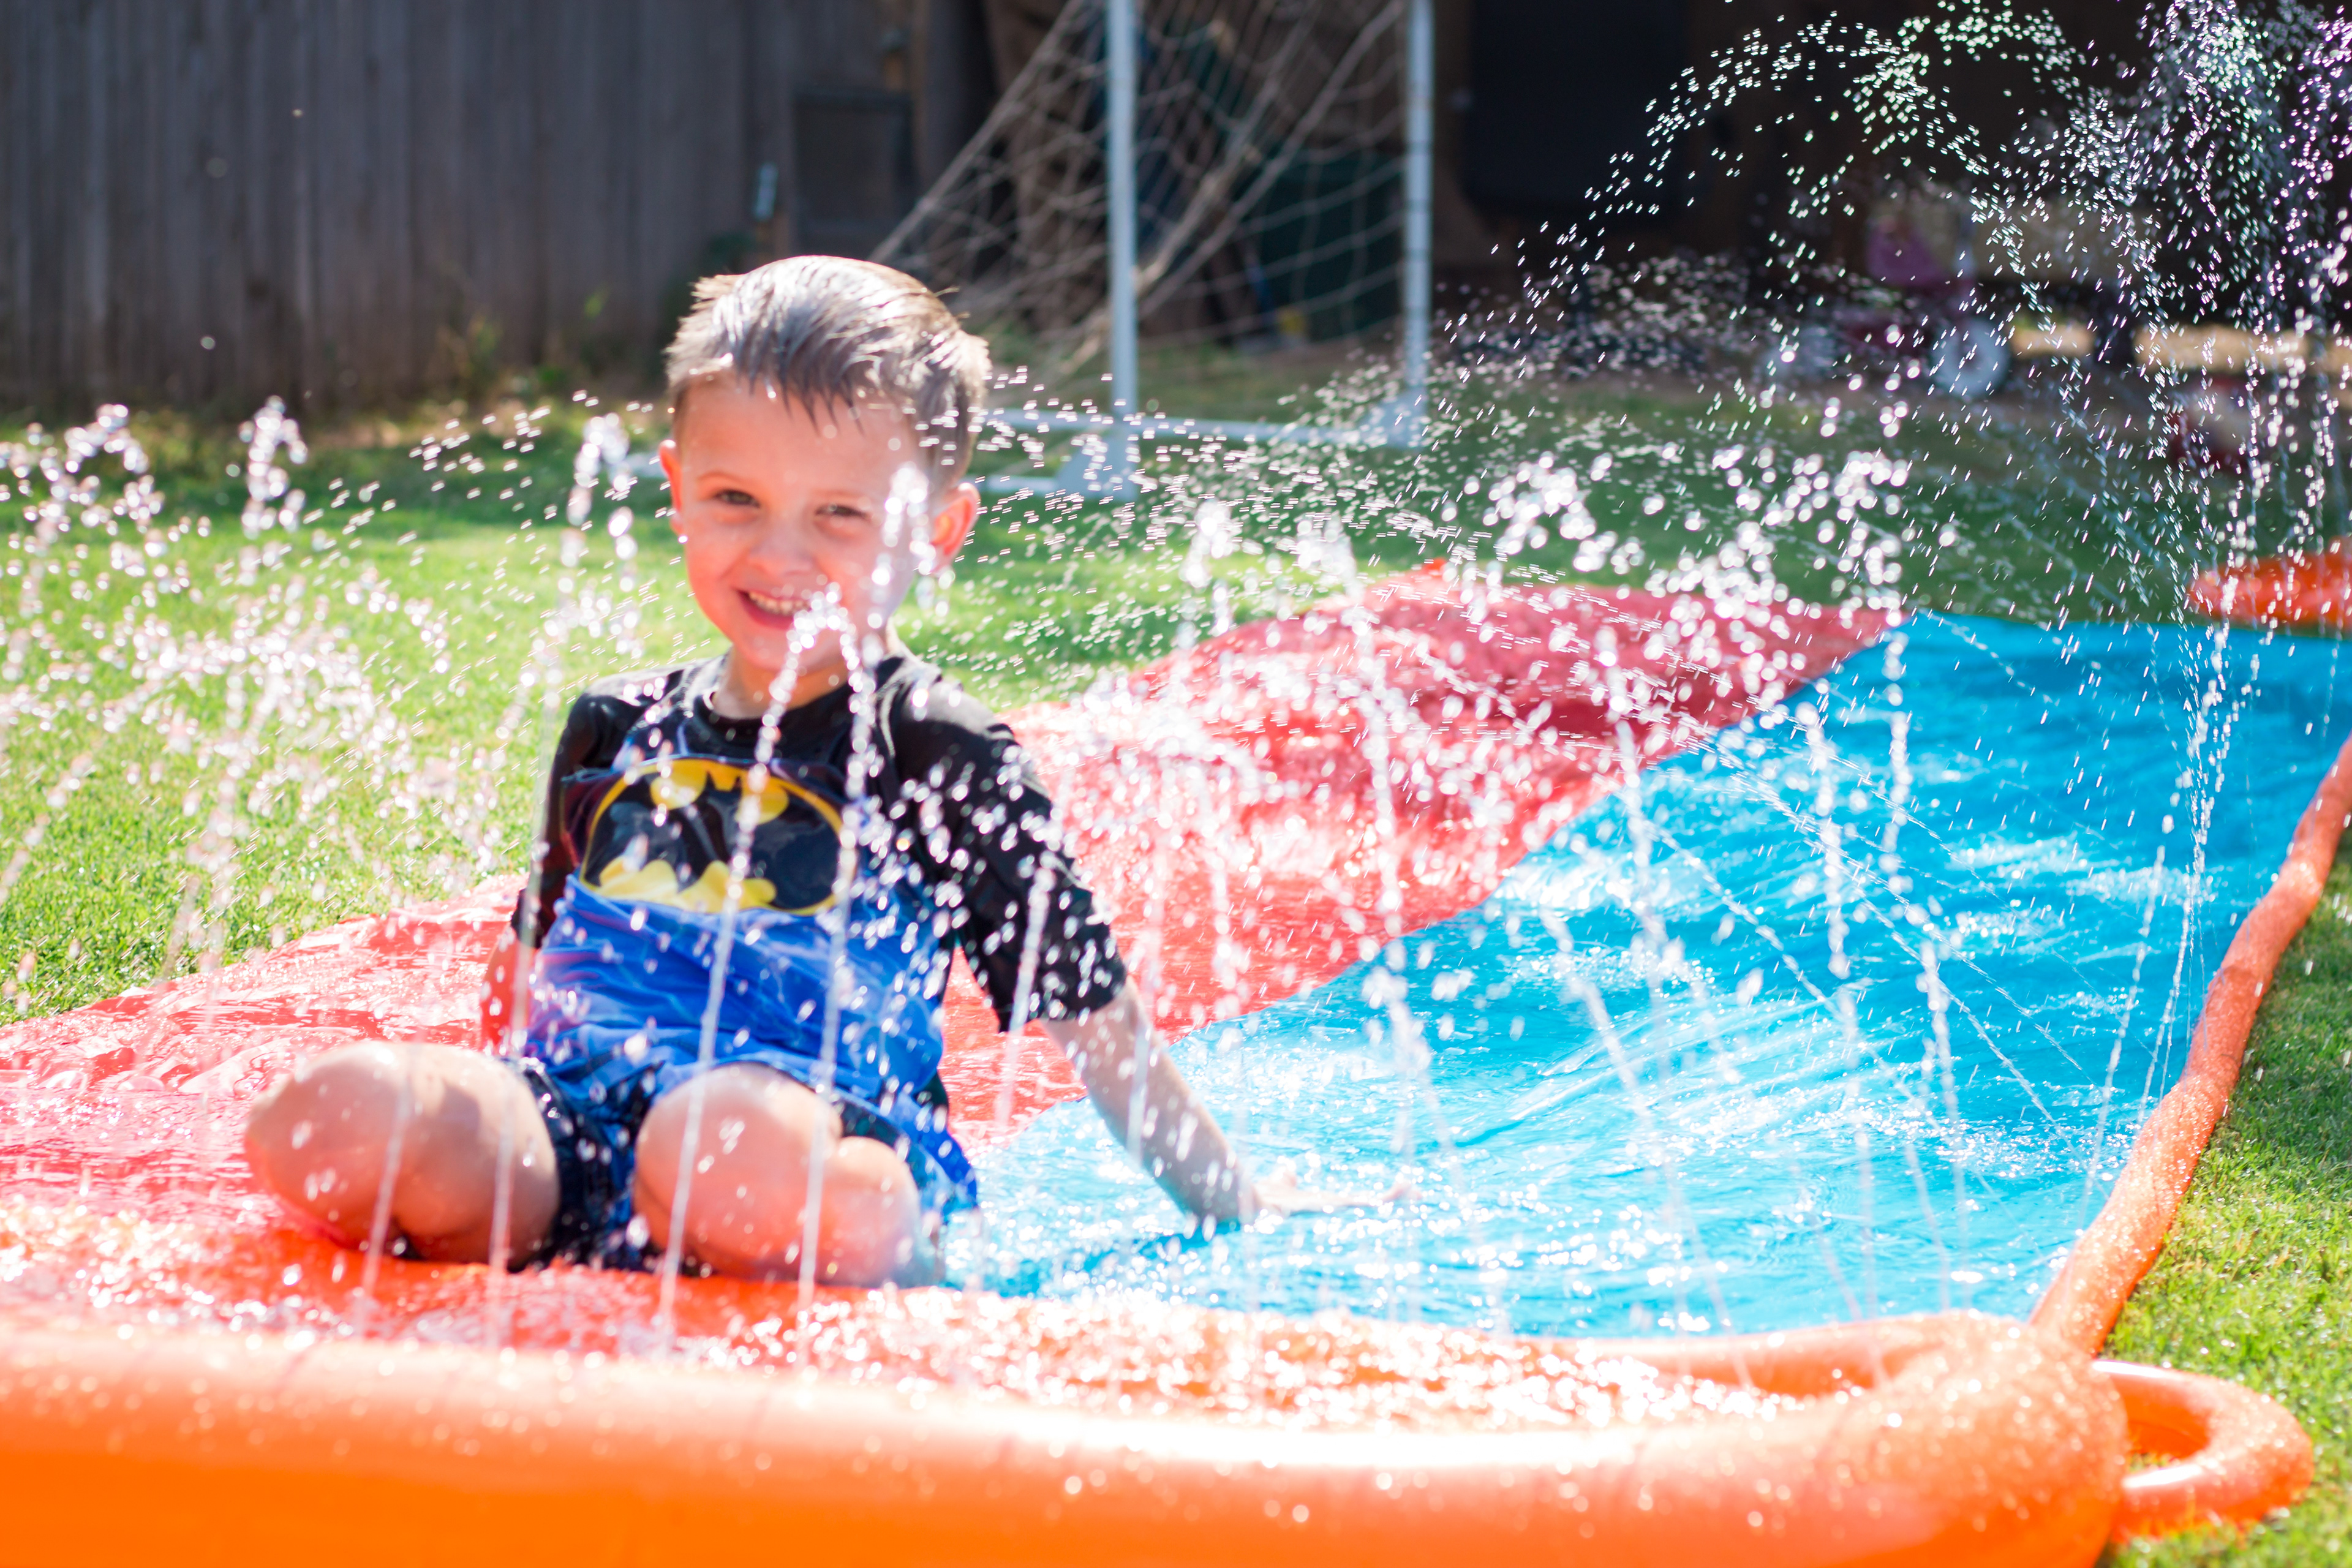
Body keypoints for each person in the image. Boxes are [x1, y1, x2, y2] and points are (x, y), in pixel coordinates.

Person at [244, 257, 1322, 1288]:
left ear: (938, 530)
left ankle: (899, 1248)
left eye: (839, 515)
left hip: (803, 1142)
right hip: (578, 1137)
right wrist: (480, 1131)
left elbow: (1091, 1011)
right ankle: (573, 1230)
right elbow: (530, 966)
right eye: (735, 499)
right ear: (677, 489)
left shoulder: (933, 749)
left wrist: (1229, 1199)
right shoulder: (616, 727)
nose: (778, 556)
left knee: (715, 1142)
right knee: (338, 1112)